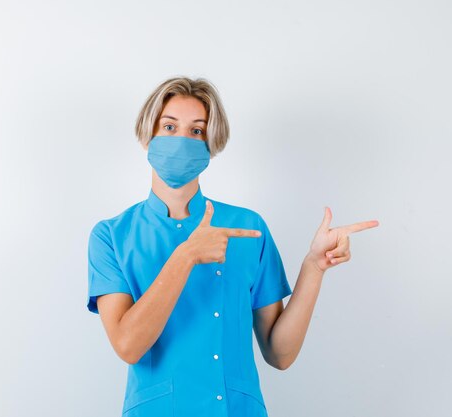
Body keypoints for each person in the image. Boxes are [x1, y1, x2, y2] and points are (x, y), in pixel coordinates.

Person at [86, 76, 379, 417]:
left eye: (197, 131)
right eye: (169, 126)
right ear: (147, 135)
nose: (182, 140)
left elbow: (280, 353)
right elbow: (128, 345)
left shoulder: (247, 229)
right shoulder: (111, 236)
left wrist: (313, 267)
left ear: (211, 144)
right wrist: (187, 255)